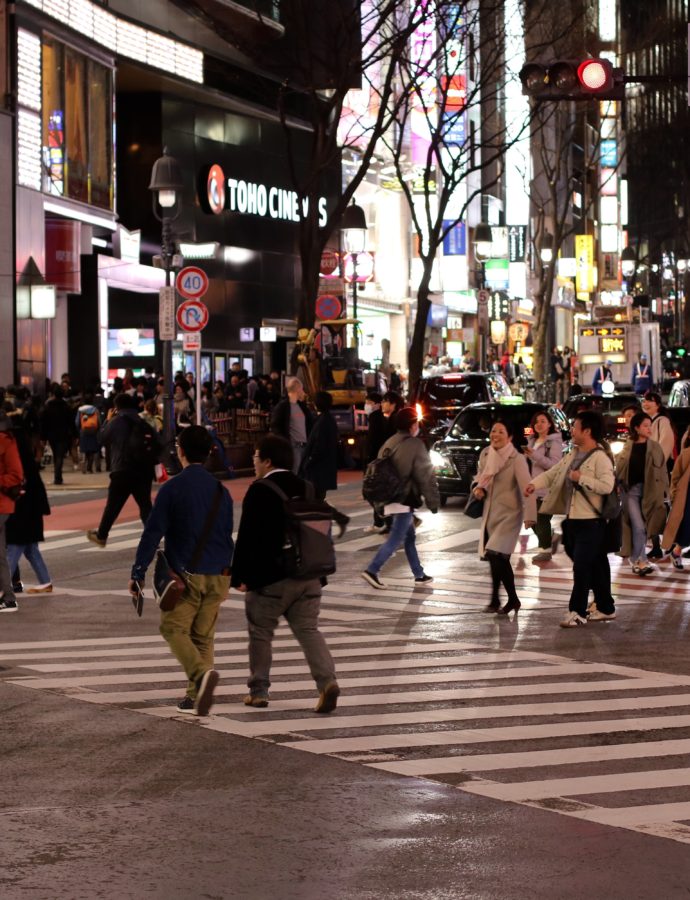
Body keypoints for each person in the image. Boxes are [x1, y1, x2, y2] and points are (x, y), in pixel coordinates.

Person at [231, 434, 340, 713]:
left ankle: (259, 691)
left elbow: (247, 537)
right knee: (308, 630)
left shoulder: (260, 490)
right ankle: (327, 682)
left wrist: (239, 575)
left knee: (260, 631)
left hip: (272, 578)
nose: (254, 462)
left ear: (267, 461)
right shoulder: (308, 487)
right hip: (310, 576)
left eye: (255, 457)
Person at [130, 426, 233, 716]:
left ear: (181, 451)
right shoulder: (220, 490)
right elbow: (226, 533)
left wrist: (138, 571)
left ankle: (200, 676)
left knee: (172, 628)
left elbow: (152, 533)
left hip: (187, 573)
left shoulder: (172, 488)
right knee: (203, 636)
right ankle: (195, 697)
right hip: (220, 574)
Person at [526, 411, 617, 627]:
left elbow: (607, 486)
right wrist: (534, 484)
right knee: (595, 565)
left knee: (582, 567)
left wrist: (581, 478)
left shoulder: (600, 457)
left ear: (587, 431)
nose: (572, 431)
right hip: (573, 520)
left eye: (575, 427)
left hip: (592, 522)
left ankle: (577, 612)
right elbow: (554, 472)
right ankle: (606, 607)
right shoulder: (572, 453)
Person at [362, 407, 439, 589]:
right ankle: (372, 570)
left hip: (388, 497)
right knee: (396, 538)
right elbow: (426, 476)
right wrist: (433, 502)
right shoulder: (415, 444)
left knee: (409, 537)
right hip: (404, 499)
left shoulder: (389, 442)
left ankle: (419, 574)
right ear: (413, 424)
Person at [472, 420, 536, 615]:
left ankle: (496, 600)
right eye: (493, 431)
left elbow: (528, 488)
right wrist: (477, 488)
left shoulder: (516, 459)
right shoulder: (485, 454)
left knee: (494, 553)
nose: (496, 435)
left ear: (509, 437)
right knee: (497, 559)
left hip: (510, 514)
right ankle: (510, 600)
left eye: (501, 431)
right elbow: (479, 477)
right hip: (491, 513)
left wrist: (530, 515)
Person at [86, 393, 158, 547]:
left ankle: (101, 536)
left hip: (122, 470)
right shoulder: (142, 421)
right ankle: (153, 538)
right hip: (143, 470)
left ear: (117, 407)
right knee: (145, 505)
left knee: (113, 506)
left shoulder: (116, 421)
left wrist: (108, 420)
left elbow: (101, 438)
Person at [615, 411, 668, 576]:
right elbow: (620, 468)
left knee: (645, 528)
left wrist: (664, 493)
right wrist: (617, 483)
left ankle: (638, 559)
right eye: (645, 426)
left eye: (650, 425)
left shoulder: (655, 447)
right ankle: (639, 559)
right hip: (631, 491)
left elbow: (662, 472)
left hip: (650, 492)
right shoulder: (627, 445)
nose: (649, 429)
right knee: (638, 527)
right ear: (636, 428)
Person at [6, 420, 52, 593]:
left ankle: (3, 585)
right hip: (31, 513)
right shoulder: (28, 462)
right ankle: (45, 581)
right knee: (30, 549)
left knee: (14, 547)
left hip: (21, 512)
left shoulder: (17, 464)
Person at [523, 410, 563, 562]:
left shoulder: (554, 442)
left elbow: (555, 465)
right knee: (533, 519)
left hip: (547, 488)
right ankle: (548, 536)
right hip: (532, 486)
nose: (539, 425)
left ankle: (545, 550)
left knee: (541, 518)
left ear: (550, 424)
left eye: (542, 421)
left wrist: (534, 455)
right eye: (536, 422)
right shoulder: (532, 441)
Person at [641, 390, 675, 559]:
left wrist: (654, 464)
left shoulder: (662, 421)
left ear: (658, 404)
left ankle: (669, 542)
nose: (645, 404)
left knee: (659, 506)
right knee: (651, 507)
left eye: (650, 401)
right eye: (644, 401)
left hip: (658, 470)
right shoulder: (648, 422)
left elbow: (665, 446)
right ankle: (656, 544)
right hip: (650, 469)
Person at [0, 411, 24, 612]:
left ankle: (8, 597)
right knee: (0, 554)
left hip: (1, 504)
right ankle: (8, 597)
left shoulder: (6, 442)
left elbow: (16, 475)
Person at [299, 391, 339, 501]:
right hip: (323, 469)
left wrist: (309, 461)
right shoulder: (327, 419)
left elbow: (319, 446)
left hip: (318, 470)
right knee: (318, 499)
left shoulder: (323, 421)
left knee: (315, 500)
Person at [270, 377, 314, 474]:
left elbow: (310, 423)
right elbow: (275, 426)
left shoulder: (302, 406)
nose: (303, 392)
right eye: (302, 389)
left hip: (304, 446)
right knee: (293, 473)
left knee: (303, 474)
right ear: (297, 389)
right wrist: (285, 442)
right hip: (293, 446)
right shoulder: (283, 406)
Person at [662, 427, 690, 569]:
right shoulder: (686, 454)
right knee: (686, 527)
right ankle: (677, 551)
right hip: (687, 496)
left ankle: (677, 551)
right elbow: (676, 477)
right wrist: (673, 494)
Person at [39, 384, 76, 484]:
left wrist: (43, 437)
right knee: (59, 455)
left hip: (51, 434)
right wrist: (75, 435)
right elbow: (71, 422)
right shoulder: (66, 406)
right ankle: (58, 477)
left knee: (56, 454)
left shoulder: (48, 406)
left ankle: (57, 477)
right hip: (64, 434)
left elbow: (44, 423)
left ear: (53, 394)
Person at [363, 391, 388, 534]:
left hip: (374, 463)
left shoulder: (375, 419)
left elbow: (372, 443)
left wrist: (369, 463)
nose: (366, 406)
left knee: (372, 492)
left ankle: (381, 521)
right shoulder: (377, 418)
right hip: (376, 461)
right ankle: (379, 521)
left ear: (376, 405)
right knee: (374, 493)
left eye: (369, 403)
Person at [76, 393, 102, 474]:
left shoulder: (80, 410)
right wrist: (98, 428)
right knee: (92, 449)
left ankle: (84, 465)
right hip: (93, 430)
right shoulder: (95, 409)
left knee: (84, 449)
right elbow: (99, 420)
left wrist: (79, 429)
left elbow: (77, 422)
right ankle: (89, 468)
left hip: (83, 431)